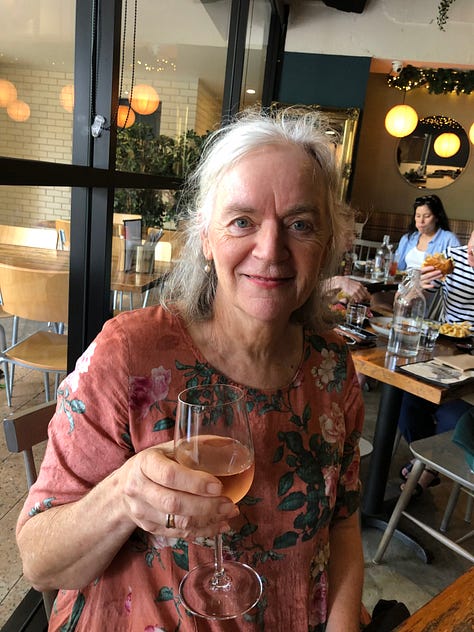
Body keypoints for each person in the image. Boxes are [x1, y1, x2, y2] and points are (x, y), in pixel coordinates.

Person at [16, 108, 367, 631]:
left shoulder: (332, 369)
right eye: (242, 221)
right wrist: (123, 496)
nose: (270, 250)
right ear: (205, 238)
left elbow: (343, 528)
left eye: (300, 224)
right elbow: (39, 561)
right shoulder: (130, 354)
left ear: (327, 247)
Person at [398, 230, 474, 495]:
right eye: (473, 249)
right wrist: (418, 283)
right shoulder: (453, 258)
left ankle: (427, 468)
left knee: (455, 415)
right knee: (407, 400)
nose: (471, 257)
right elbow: (409, 296)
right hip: (445, 350)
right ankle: (426, 460)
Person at [394, 194, 460, 271]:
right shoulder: (407, 238)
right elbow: (397, 268)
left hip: (433, 282)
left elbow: (457, 272)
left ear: (437, 217)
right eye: (418, 216)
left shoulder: (449, 239)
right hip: (406, 281)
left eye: (427, 216)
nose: (421, 221)